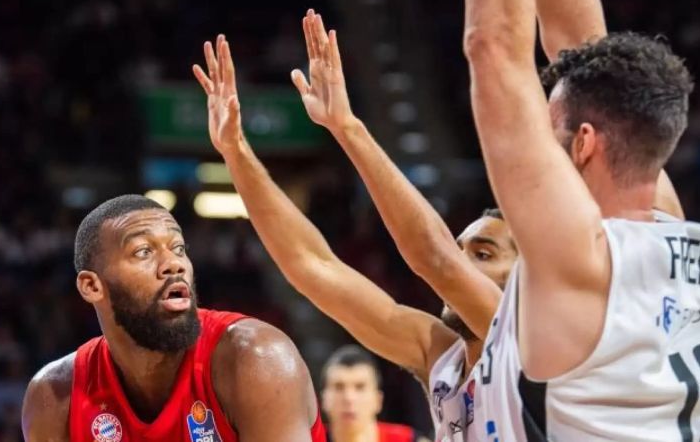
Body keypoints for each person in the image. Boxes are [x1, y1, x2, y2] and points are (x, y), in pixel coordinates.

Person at [193, 30, 514, 442]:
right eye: (461, 250)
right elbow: (312, 266)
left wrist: (348, 127)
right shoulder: (439, 353)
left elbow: (434, 258)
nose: (462, 263)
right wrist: (235, 151)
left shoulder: (528, 339)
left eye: (484, 254)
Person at [463, 0, 700, 438]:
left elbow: (494, 46)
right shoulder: (678, 233)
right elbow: (586, 52)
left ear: (583, 143)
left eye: (548, 132)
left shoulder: (579, 259)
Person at [20, 195, 327, 441]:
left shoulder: (257, 359)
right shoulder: (55, 397)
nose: (173, 264)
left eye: (178, 248)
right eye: (143, 252)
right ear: (92, 286)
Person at [321, 346, 430, 442]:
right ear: (324, 399)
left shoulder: (410, 440)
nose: (349, 398)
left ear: (378, 400)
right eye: (339, 387)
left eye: (360, 387)